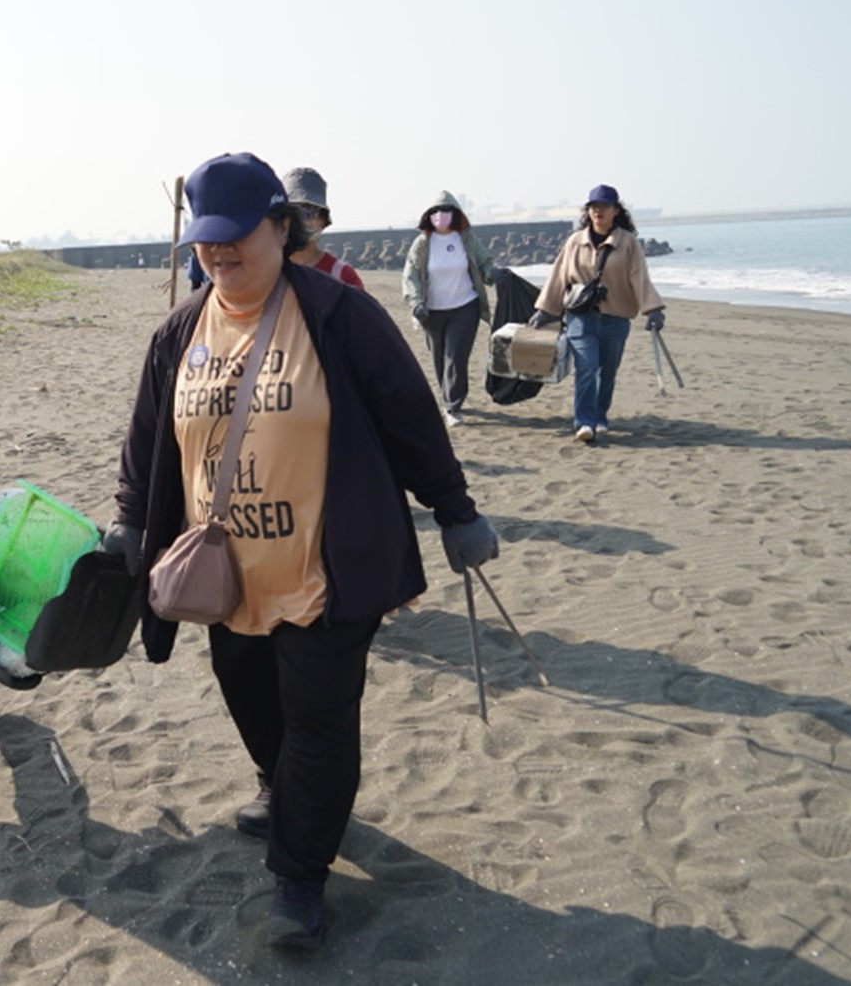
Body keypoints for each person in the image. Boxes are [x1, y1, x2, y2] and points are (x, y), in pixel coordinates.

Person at [100, 153, 500, 949]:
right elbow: (148, 441)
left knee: (318, 720)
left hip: (324, 570)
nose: (219, 255)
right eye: (206, 243)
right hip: (224, 577)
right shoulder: (179, 331)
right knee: (250, 698)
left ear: (281, 229)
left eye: (236, 238)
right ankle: (286, 791)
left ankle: (299, 878)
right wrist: (127, 519)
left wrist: (455, 510)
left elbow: (408, 414)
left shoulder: (336, 315)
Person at [528, 184, 666, 442]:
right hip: (581, 317)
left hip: (616, 318)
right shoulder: (575, 241)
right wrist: (545, 309)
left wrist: (653, 310)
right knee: (586, 369)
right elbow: (558, 275)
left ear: (616, 210)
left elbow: (640, 278)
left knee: (608, 372)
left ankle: (601, 416)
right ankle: (585, 422)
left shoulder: (628, 243)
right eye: (593, 207)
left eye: (603, 206)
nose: (598, 211)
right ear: (587, 211)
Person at [401, 192, 500, 426]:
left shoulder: (466, 239)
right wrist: (415, 302)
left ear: (455, 214)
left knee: (455, 357)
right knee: (439, 358)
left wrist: (491, 274)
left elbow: (484, 261)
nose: (440, 215)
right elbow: (411, 274)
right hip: (431, 311)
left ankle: (453, 406)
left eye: (446, 210)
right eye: (435, 211)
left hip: (465, 306)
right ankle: (448, 395)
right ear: (428, 216)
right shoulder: (422, 243)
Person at [282, 167, 364, 288]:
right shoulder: (264, 271)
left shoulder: (343, 276)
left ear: (322, 220)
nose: (300, 220)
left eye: (309, 211)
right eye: (294, 210)